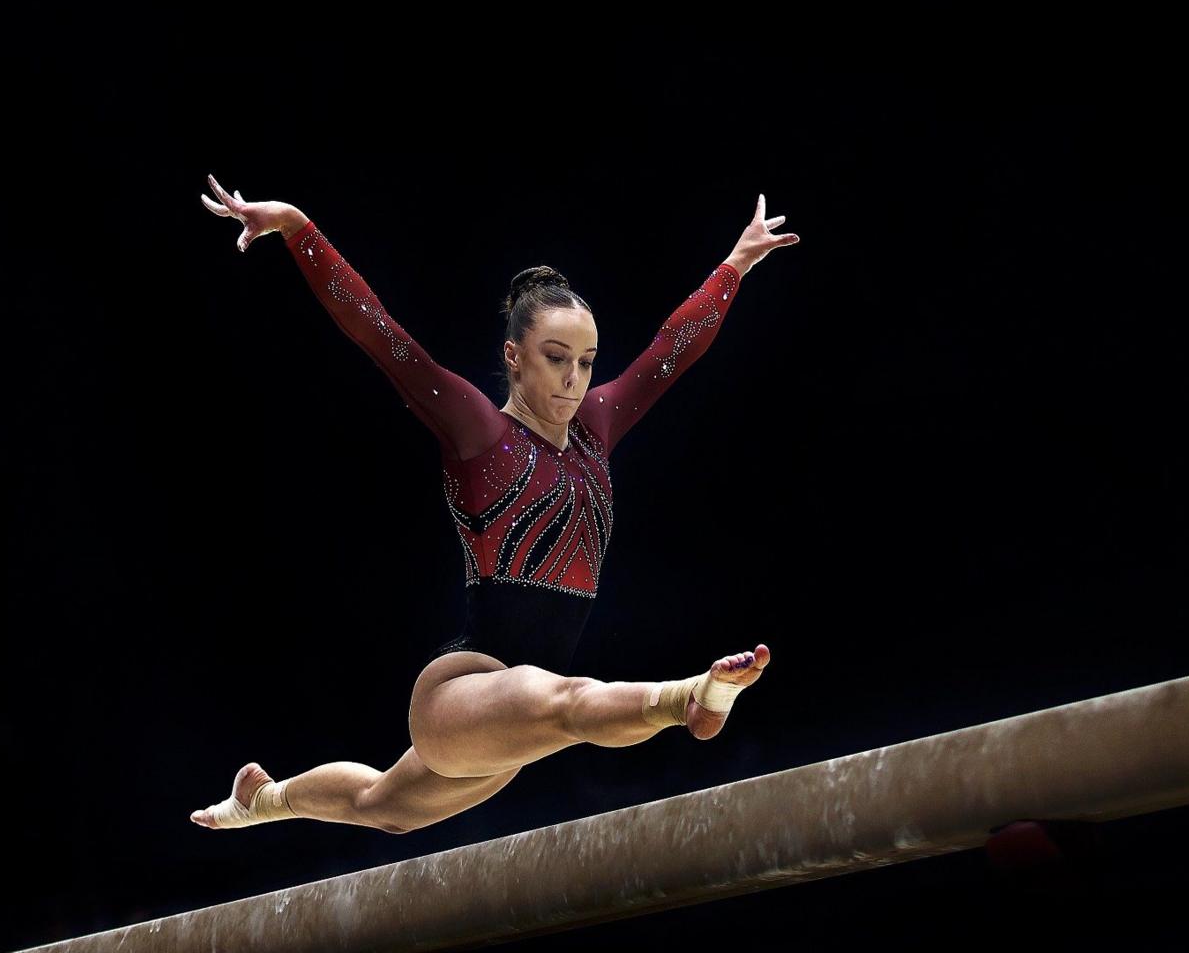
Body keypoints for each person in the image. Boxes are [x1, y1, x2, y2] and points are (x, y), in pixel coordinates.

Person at [190, 177, 800, 836]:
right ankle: (692, 700)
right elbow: (377, 332)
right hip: (464, 689)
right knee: (571, 704)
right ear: (514, 357)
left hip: (512, 717)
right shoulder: (479, 429)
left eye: (587, 362)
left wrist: (734, 266)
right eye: (555, 357)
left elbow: (670, 353)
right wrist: (298, 229)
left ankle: (266, 800)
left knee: (386, 810)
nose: (574, 380)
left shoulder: (597, 428)